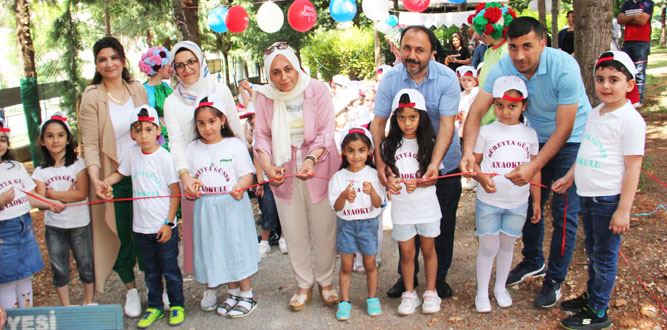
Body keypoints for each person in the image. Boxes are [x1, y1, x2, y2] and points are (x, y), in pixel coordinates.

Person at [461, 17, 591, 309]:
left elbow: (565, 127)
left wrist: (534, 166)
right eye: (513, 47)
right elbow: (477, 109)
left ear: (543, 43)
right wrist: (469, 150)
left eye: (527, 47)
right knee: (528, 202)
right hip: (532, 135)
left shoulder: (564, 67)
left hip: (570, 139)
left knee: (563, 211)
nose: (519, 56)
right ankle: (533, 259)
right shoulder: (503, 67)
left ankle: (555, 279)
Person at [553, 51, 645, 330]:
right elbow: (585, 150)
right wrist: (571, 176)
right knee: (592, 250)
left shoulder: (630, 121)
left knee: (604, 256)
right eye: (600, 79)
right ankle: (592, 296)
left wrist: (623, 210)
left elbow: (632, 168)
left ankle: (598, 311)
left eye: (614, 80)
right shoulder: (596, 112)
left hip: (608, 200)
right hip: (588, 196)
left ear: (629, 84)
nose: (605, 86)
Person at [371, 25, 460, 300]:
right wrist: (380, 160)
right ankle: (406, 277)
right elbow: (378, 122)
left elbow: (446, 126)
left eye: (419, 50)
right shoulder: (390, 79)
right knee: (405, 220)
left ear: (432, 52)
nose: (412, 55)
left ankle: (439, 278)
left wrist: (434, 164)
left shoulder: (447, 79)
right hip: (403, 164)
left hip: (445, 163)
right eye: (407, 48)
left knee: (442, 224)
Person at [254, 42, 341, 311]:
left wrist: (312, 159)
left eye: (288, 69)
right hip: (283, 166)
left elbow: (327, 131)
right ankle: (303, 284)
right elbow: (261, 135)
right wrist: (268, 168)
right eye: (276, 72)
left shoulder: (317, 90)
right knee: (293, 229)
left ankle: (326, 282)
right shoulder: (264, 97)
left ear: (297, 65)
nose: (284, 78)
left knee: (324, 227)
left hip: (320, 163)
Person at [164, 41, 245, 283]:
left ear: (200, 61)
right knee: (203, 234)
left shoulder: (219, 90)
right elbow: (176, 142)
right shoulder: (172, 102)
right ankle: (211, 284)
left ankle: (238, 282)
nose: (187, 68)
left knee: (230, 233)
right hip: (196, 176)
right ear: (174, 69)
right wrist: (185, 174)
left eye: (191, 62)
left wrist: (248, 172)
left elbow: (235, 126)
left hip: (227, 172)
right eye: (179, 65)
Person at [79, 36, 148, 317]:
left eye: (114, 57)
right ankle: (131, 288)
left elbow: (151, 127)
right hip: (111, 178)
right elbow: (91, 145)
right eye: (102, 59)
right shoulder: (93, 96)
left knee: (150, 230)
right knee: (120, 233)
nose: (109, 64)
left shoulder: (137, 89)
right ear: (97, 64)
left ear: (122, 59)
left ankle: (156, 284)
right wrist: (96, 180)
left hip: (143, 173)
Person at [97, 106, 185, 327]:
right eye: (138, 130)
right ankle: (154, 306)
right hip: (141, 228)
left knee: (170, 270)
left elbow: (175, 193)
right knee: (151, 272)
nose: (143, 135)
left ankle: (176, 305)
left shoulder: (165, 158)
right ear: (132, 134)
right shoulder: (132, 154)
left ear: (158, 130)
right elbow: (120, 173)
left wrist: (168, 223)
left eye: (148, 129)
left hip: (163, 228)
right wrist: (105, 182)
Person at [184, 95, 259, 318]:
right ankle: (232, 292)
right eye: (201, 123)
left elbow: (248, 175)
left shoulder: (234, 145)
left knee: (236, 247)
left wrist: (240, 186)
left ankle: (247, 294)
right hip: (206, 208)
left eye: (212, 121)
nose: (207, 128)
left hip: (232, 206)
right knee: (217, 248)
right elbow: (187, 178)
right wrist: (191, 188)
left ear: (222, 120)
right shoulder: (192, 148)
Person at [471, 76, 541, 313]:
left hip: (517, 201)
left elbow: (535, 169)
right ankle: (482, 292)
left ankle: (500, 288)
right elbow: (475, 164)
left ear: (524, 106)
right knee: (488, 246)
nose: (505, 111)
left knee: (507, 245)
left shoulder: (530, 135)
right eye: (499, 105)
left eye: (512, 106)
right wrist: (480, 177)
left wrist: (537, 200)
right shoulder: (486, 131)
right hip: (489, 201)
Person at [381, 89, 442, 315]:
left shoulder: (431, 143)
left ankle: (431, 292)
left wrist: (421, 182)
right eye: (402, 117)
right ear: (395, 118)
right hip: (402, 209)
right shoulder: (388, 145)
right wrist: (391, 183)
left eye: (413, 117)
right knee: (406, 253)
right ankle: (409, 293)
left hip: (427, 206)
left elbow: (434, 178)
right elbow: (387, 176)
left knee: (428, 249)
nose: (407, 123)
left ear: (422, 117)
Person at [0, 118, 65, 309]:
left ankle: (27, 319)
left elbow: (29, 197)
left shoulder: (16, 167)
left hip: (24, 228)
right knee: (7, 281)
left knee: (25, 278)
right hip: (3, 234)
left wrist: (50, 202)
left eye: (2, 139)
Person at [32, 113, 95, 306]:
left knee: (85, 264)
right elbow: (39, 199)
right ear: (42, 141)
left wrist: (53, 196)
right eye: (49, 136)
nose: (55, 140)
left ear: (68, 139)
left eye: (60, 135)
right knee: (59, 267)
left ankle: (88, 301)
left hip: (80, 224)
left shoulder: (78, 164)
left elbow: (81, 193)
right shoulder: (40, 170)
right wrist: (49, 200)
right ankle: (66, 306)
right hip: (54, 228)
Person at [329, 127, 385, 320]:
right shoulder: (338, 178)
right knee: (346, 265)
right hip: (346, 226)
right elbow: (336, 207)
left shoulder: (374, 174)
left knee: (370, 264)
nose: (356, 155)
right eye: (350, 150)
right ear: (344, 152)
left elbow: (379, 204)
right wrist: (344, 195)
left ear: (369, 151)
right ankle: (344, 302)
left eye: (361, 150)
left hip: (368, 225)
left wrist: (372, 193)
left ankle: (372, 298)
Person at [467, 2, 517, 125]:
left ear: (496, 29)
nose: (479, 35)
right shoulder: (489, 51)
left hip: (498, 114)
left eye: (483, 31)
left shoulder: (506, 51)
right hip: (485, 110)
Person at [618, 0, 654, 107]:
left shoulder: (648, 3)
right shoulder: (627, 3)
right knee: (626, 70)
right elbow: (620, 19)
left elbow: (642, 21)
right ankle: (628, 97)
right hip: (627, 41)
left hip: (642, 42)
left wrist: (627, 18)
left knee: (639, 70)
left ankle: (639, 99)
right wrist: (634, 17)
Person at [138, 46, 173, 148]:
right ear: (160, 68)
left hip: (173, 136)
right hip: (158, 140)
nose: (171, 69)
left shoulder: (166, 87)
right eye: (168, 66)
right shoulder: (144, 90)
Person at [455, 65, 480, 192]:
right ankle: (467, 176)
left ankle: (476, 179)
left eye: (469, 80)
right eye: (463, 80)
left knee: (475, 154)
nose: (466, 83)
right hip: (461, 128)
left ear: (476, 80)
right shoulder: (461, 94)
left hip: (473, 129)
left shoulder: (477, 93)